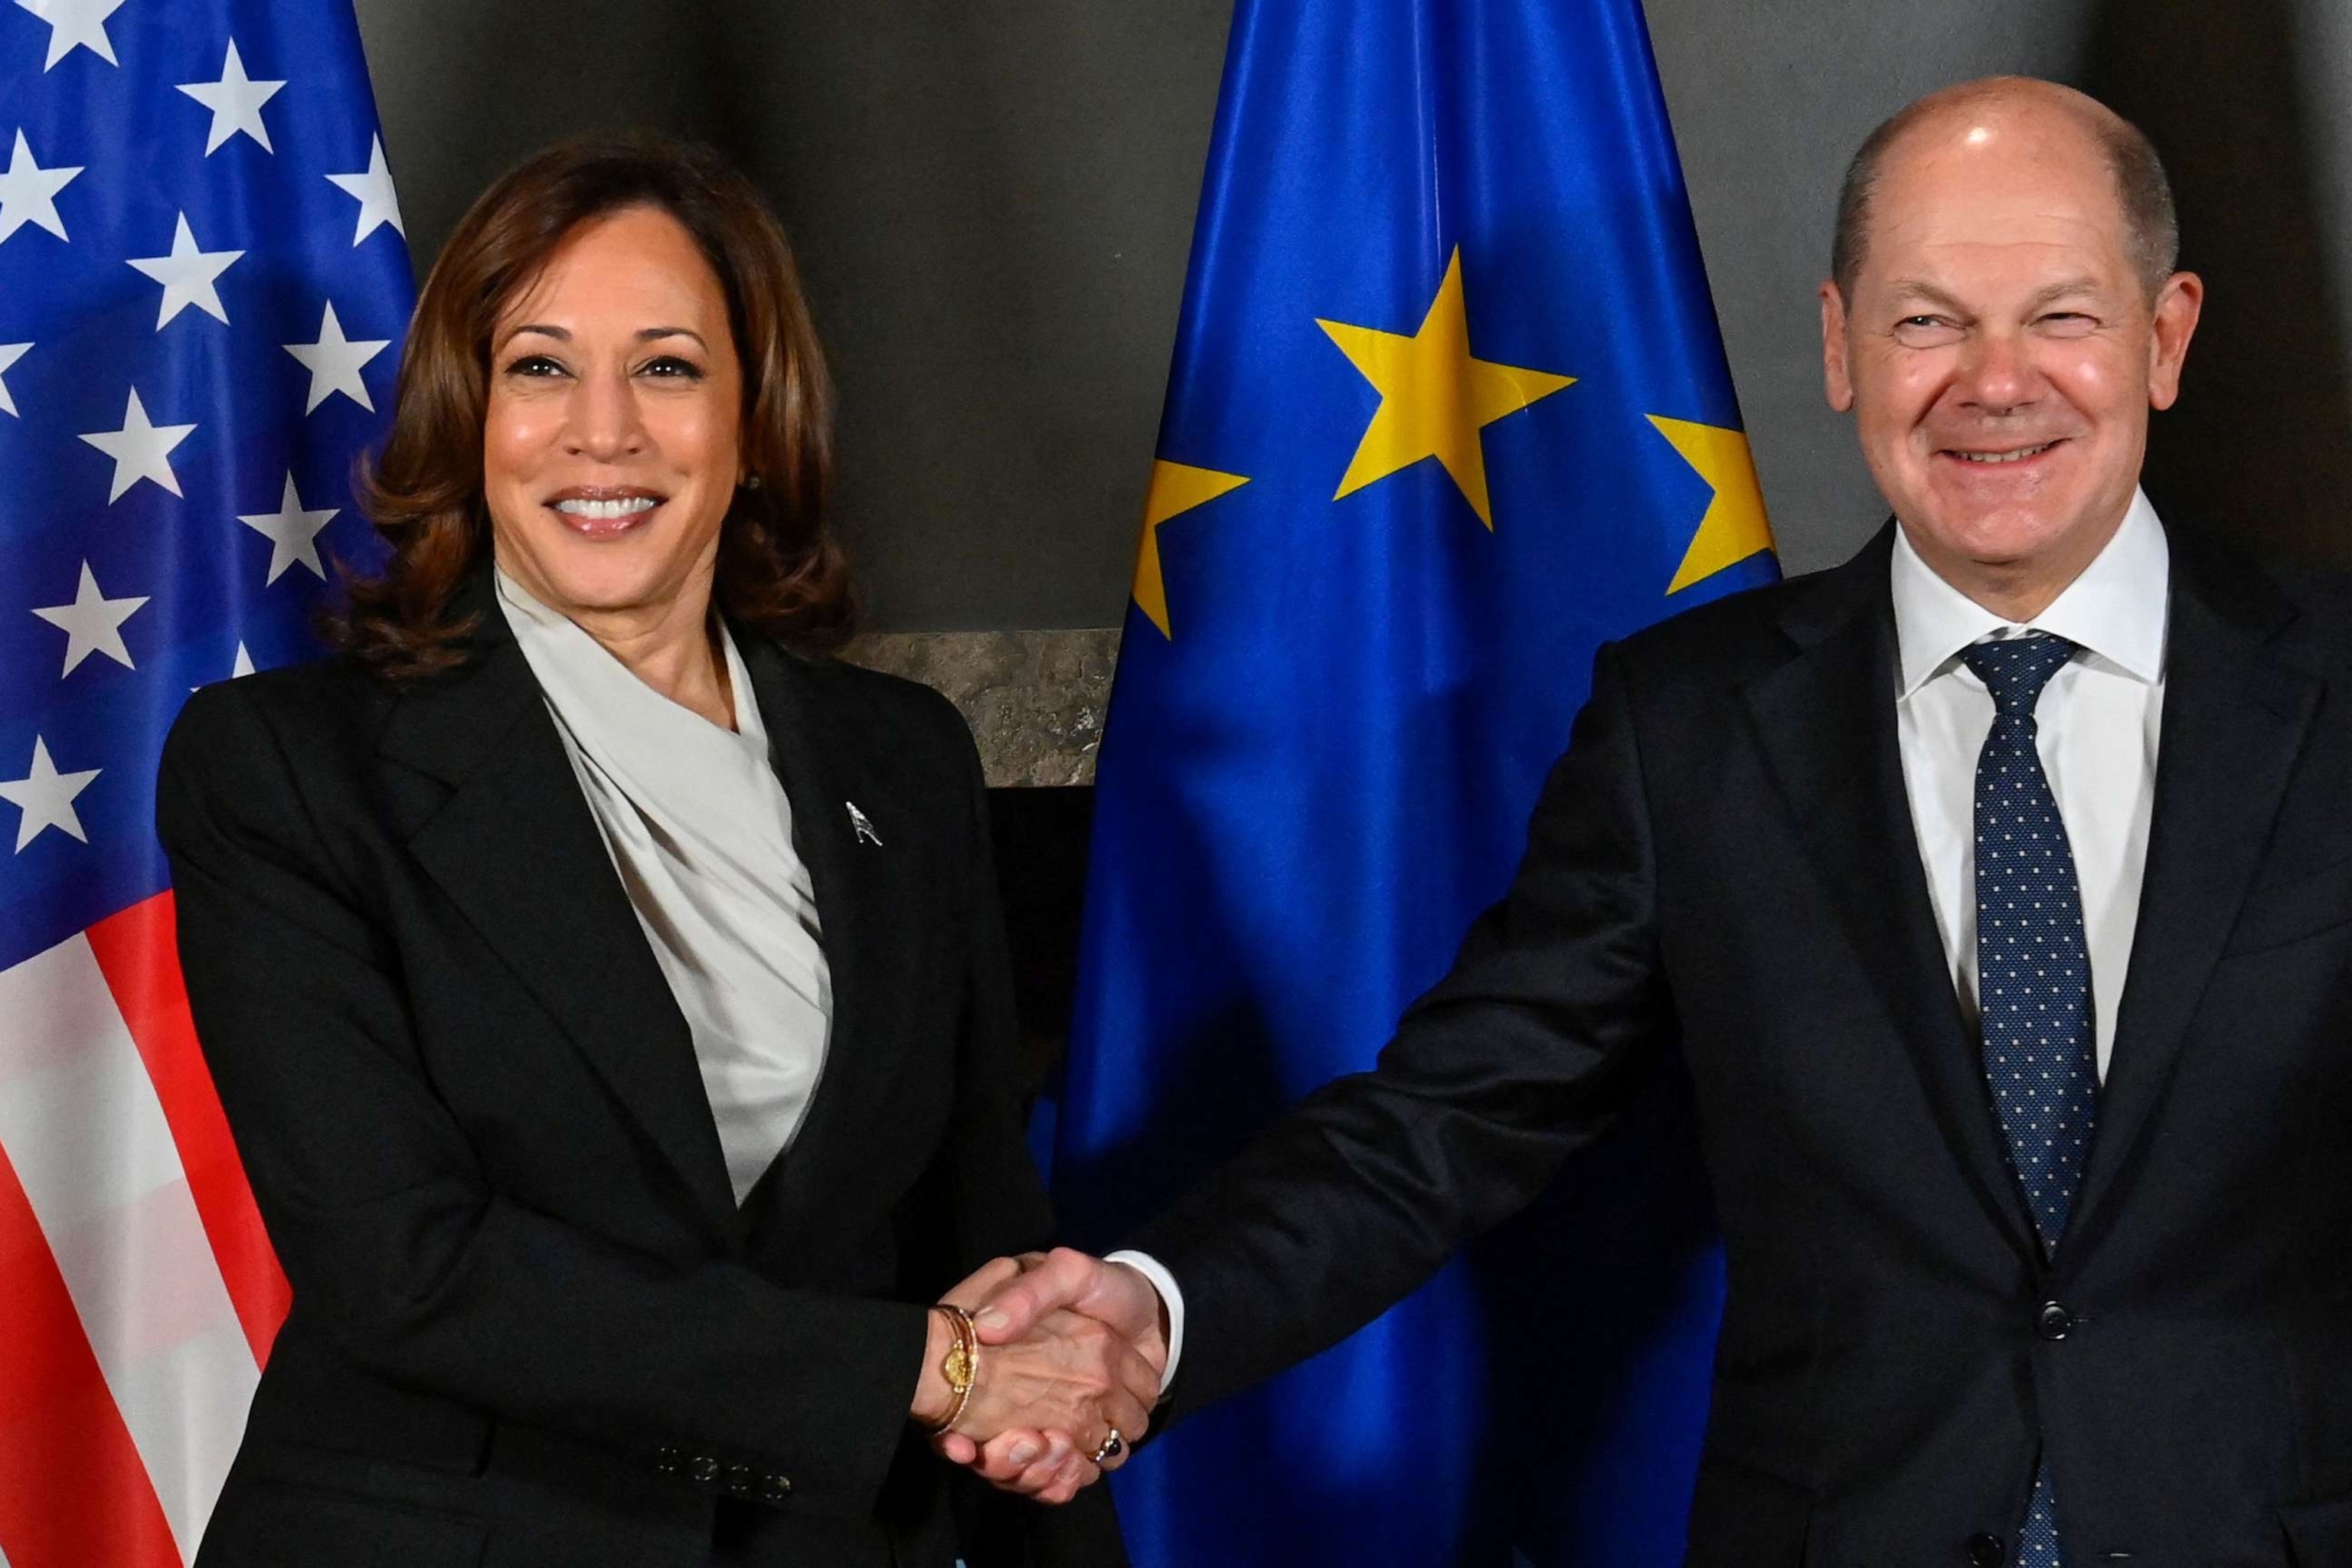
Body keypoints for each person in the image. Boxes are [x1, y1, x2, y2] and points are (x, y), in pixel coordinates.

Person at [964, 77, 2352, 1563]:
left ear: (2168, 336)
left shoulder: (2332, 693)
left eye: (2062, 317)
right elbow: (1453, 1112)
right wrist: (1158, 1309)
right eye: (1927, 320)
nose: (1992, 383)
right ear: (1838, 344)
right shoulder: (1690, 725)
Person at [158, 139, 1149, 1568]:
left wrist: (1036, 1441)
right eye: (541, 367)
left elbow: (978, 1223)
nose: (601, 431)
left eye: (669, 367)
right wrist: (923, 1375)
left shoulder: (903, 758)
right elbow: (407, 1269)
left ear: (755, 421)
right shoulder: (287, 767)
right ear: (467, 419)